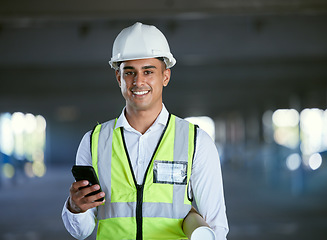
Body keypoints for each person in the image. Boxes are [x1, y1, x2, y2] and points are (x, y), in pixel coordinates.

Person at [62, 22, 228, 240]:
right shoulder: (94, 141)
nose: (138, 81)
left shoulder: (196, 142)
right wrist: (76, 207)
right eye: (129, 72)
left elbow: (215, 227)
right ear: (119, 78)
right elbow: (81, 231)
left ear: (165, 77)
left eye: (148, 71)